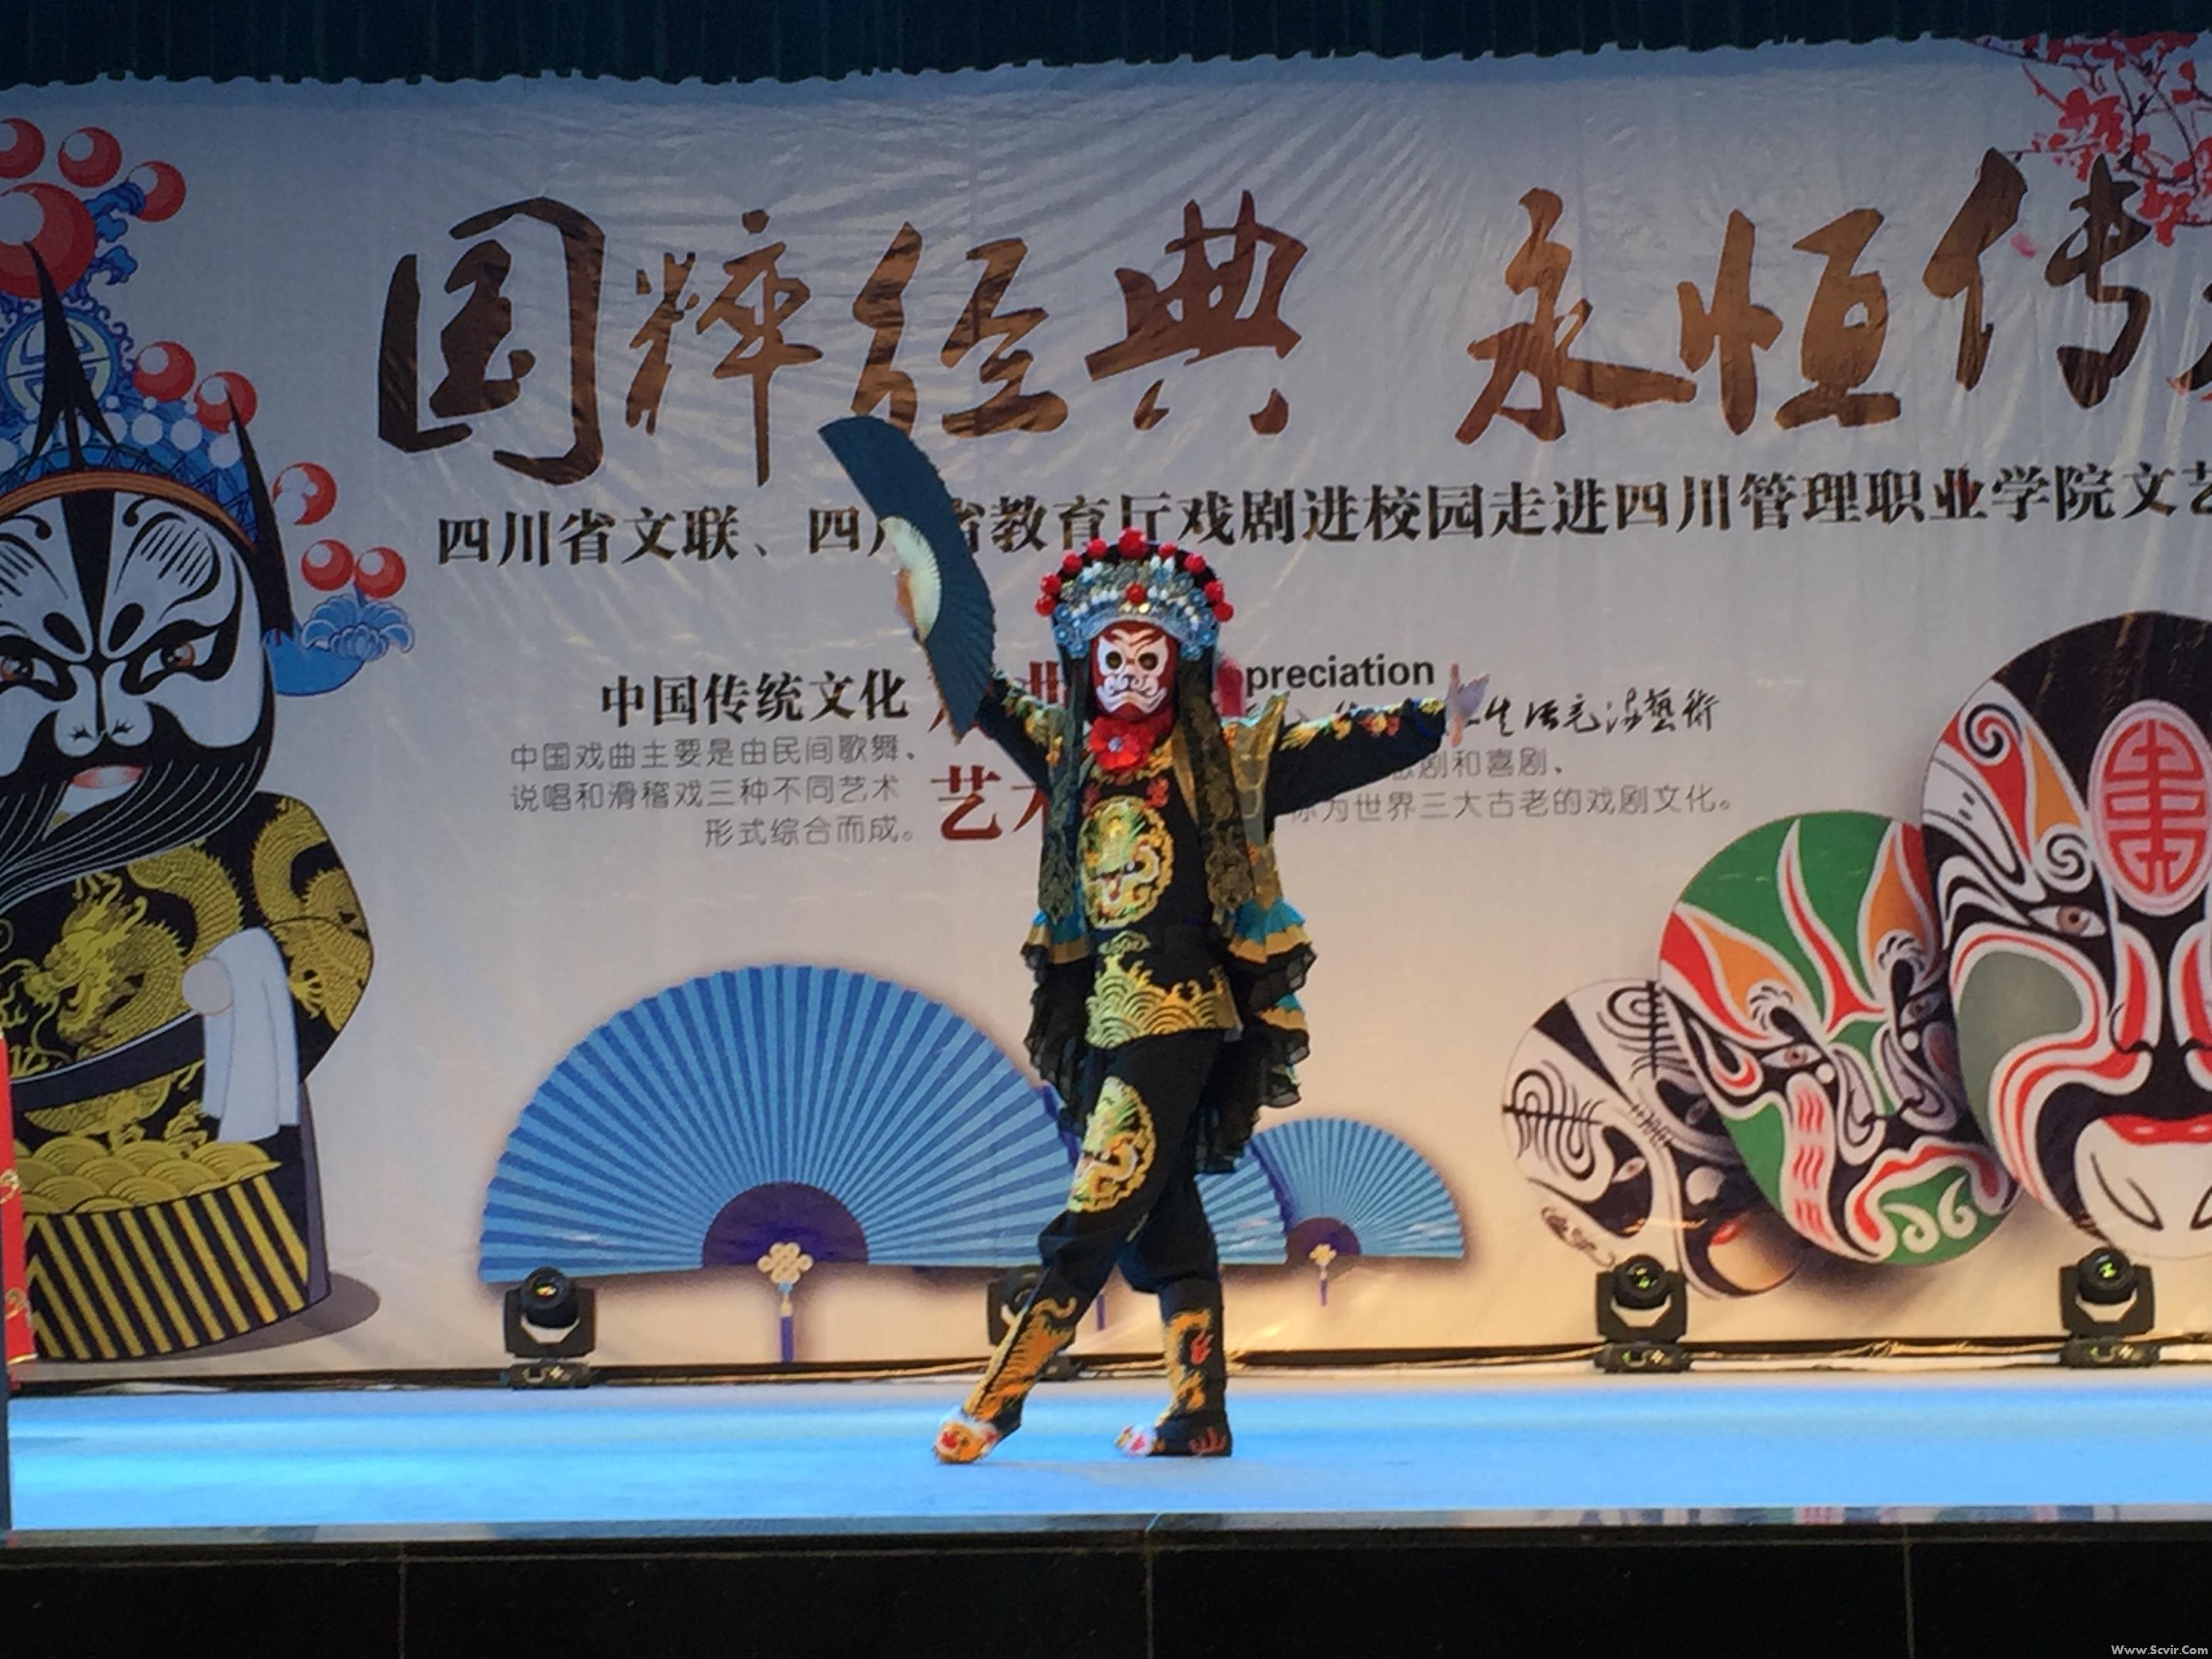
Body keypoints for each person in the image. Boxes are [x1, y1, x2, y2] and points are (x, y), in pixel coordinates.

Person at [927, 527, 1483, 1462]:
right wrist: (932, 603)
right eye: (1113, 658)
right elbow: (985, 695)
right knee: (1167, 1222)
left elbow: (1333, 747)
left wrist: (1434, 718)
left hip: (1180, 1012)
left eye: (1150, 658)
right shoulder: (1069, 752)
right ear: (1087, 662)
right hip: (1103, 1016)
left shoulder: (1226, 759)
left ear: (1180, 663)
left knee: (1100, 1202)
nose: (1130, 676)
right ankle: (1199, 1416)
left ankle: (999, 1399)